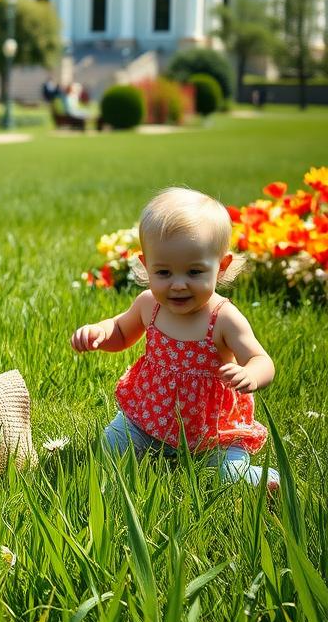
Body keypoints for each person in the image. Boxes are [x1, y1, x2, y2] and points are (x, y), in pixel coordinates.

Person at [70, 187, 279, 489]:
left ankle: (264, 482)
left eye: (194, 272)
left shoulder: (222, 318)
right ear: (145, 265)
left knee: (228, 477)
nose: (178, 285)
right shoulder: (148, 305)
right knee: (108, 451)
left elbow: (261, 360)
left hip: (211, 431)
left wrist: (250, 374)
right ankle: (148, 451)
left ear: (220, 267)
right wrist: (101, 333)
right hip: (148, 417)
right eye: (164, 273)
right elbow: (121, 333)